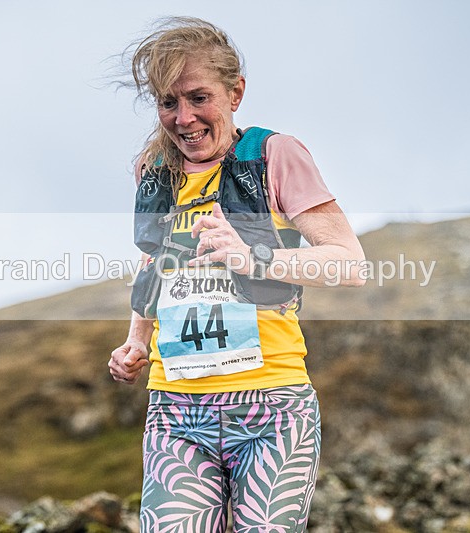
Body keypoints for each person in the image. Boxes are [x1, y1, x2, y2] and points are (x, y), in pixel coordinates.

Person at [109, 17, 365, 532]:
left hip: (272, 409)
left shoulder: (273, 156)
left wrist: (254, 258)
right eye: (168, 102)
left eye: (198, 98)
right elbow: (155, 260)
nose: (183, 118)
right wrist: (136, 338)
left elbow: (349, 262)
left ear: (235, 93)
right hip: (176, 410)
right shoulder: (152, 170)